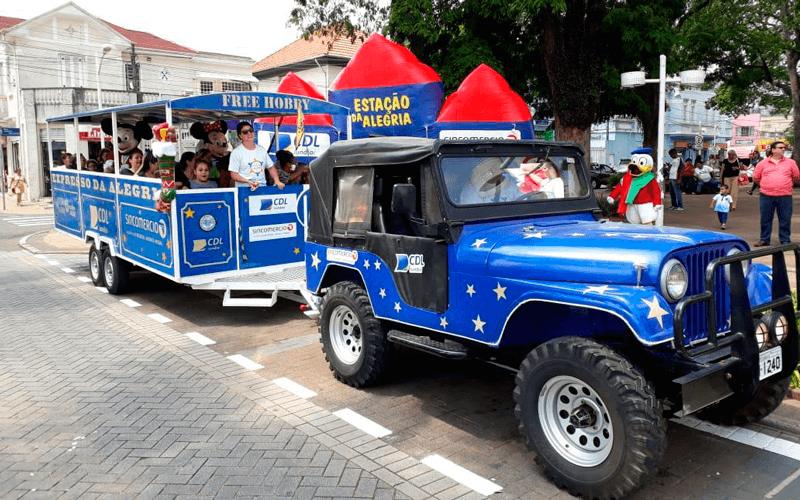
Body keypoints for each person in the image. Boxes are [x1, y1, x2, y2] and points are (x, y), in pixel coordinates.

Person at [753, 141, 800, 246]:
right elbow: (756, 178)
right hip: (766, 196)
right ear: (773, 150)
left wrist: (784, 184)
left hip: (785, 196)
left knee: (785, 219)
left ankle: (785, 240)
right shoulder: (762, 163)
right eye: (780, 147)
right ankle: (764, 239)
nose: (783, 149)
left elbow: (796, 176)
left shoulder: (791, 163)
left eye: (784, 148)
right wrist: (767, 185)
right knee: (765, 219)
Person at [228, 122, 284, 190]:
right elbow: (234, 174)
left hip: (262, 188)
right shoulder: (236, 152)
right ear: (240, 135)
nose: (249, 133)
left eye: (251, 131)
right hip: (244, 190)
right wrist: (248, 182)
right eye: (245, 132)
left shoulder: (261, 150)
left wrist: (277, 181)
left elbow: (271, 167)